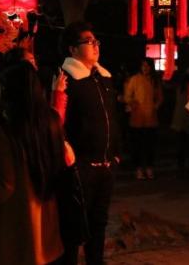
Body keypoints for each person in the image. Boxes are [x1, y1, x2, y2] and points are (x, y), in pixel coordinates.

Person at [0, 61, 69, 265]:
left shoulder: (1, 128)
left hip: (15, 227)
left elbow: (4, 186)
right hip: (47, 224)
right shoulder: (52, 121)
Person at [59, 21, 121, 265]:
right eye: (89, 42)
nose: (96, 46)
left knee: (99, 221)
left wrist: (116, 153)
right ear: (73, 49)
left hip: (106, 164)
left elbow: (113, 118)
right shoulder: (67, 80)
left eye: (96, 41)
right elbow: (58, 121)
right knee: (75, 225)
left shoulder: (103, 78)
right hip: (80, 166)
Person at [123, 57, 163, 180]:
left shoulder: (154, 81)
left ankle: (149, 168)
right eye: (143, 66)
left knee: (150, 146)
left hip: (151, 119)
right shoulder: (134, 79)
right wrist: (132, 103)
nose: (145, 68)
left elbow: (160, 97)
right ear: (140, 67)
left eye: (148, 66)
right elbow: (127, 96)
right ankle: (139, 169)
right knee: (137, 146)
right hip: (137, 118)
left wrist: (155, 106)